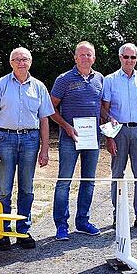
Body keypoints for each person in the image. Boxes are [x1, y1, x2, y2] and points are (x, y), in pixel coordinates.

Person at [0, 47, 54, 250]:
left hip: (31, 140)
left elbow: (44, 119)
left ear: (30, 62)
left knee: (27, 188)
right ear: (10, 62)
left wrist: (45, 149)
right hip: (5, 139)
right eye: (17, 59)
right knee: (4, 189)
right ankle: (2, 233)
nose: (21, 63)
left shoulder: (39, 87)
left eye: (25, 59)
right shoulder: (0, 85)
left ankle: (23, 230)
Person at [50, 41, 105, 240]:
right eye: (81, 55)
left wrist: (109, 118)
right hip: (69, 139)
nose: (85, 58)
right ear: (75, 58)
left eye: (89, 55)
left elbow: (100, 106)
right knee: (64, 182)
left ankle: (82, 221)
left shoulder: (99, 79)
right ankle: (61, 225)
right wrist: (66, 126)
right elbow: (51, 108)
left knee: (88, 181)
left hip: (92, 139)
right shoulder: (63, 79)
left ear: (94, 58)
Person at [102, 43, 137, 231]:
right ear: (120, 58)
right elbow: (104, 110)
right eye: (126, 57)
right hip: (119, 131)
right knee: (118, 174)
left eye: (133, 57)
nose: (129, 60)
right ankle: (119, 216)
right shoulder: (110, 80)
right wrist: (109, 137)